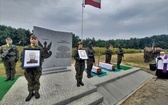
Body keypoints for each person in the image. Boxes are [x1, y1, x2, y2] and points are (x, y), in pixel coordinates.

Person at [20, 35, 44, 101]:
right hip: (28, 69)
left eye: (35, 39)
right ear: (30, 40)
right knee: (30, 81)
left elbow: (42, 57)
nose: (33, 40)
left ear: (37, 40)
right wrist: (24, 64)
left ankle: (36, 92)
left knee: (36, 80)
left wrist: (40, 62)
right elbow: (22, 57)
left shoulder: (40, 48)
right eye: (32, 39)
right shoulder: (25, 48)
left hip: (37, 68)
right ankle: (30, 93)